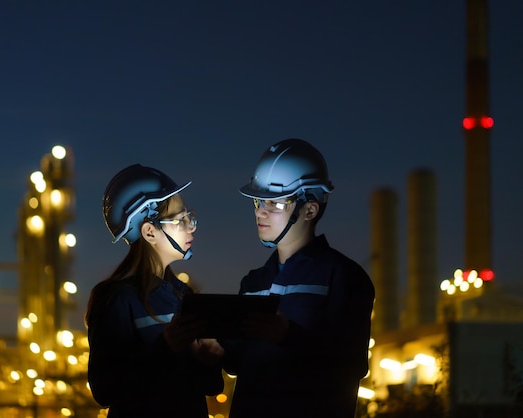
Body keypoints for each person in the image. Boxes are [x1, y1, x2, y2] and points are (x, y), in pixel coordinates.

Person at [221, 138, 375, 418]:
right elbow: (238, 363)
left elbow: (352, 365)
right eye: (258, 200)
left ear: (310, 209)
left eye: (275, 203)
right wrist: (216, 351)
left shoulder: (343, 276)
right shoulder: (254, 283)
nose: (260, 211)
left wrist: (287, 336)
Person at [85, 164, 224, 418]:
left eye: (189, 217)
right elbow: (104, 389)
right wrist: (165, 348)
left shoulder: (184, 295)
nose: (191, 227)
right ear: (149, 231)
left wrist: (209, 358)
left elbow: (211, 387)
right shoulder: (116, 299)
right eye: (180, 220)